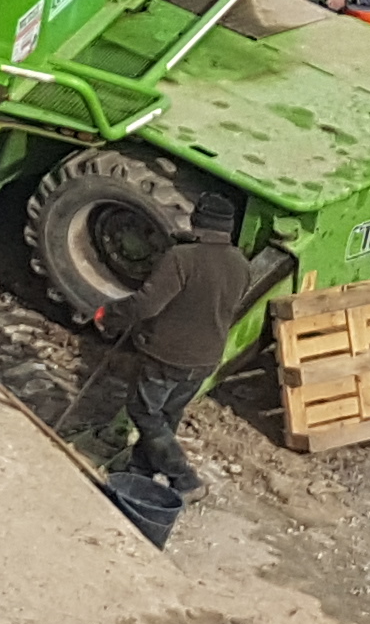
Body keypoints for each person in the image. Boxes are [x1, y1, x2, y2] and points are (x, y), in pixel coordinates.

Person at [90, 195, 256, 498]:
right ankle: (138, 473)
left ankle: (185, 479)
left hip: (167, 356)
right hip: (206, 359)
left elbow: (147, 304)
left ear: (196, 220)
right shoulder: (240, 265)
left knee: (144, 412)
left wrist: (110, 315)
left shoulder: (181, 258)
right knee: (166, 416)